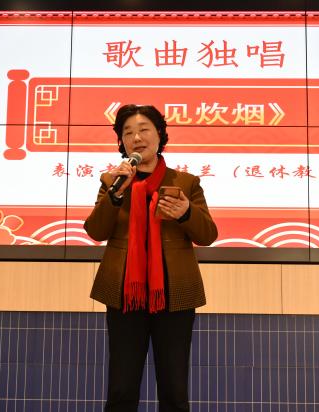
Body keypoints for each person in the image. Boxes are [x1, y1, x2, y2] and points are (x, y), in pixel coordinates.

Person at [84, 104, 218, 412]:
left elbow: (208, 235)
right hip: (124, 295)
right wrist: (116, 195)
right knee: (121, 388)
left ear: (159, 135)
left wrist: (186, 213)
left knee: (173, 389)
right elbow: (96, 230)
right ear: (121, 142)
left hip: (173, 294)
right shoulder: (112, 181)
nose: (136, 138)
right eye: (128, 132)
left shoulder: (185, 183)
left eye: (144, 129)